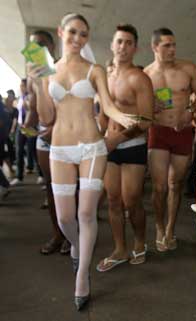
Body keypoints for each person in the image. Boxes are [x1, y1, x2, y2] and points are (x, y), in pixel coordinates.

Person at [28, 13, 136, 310]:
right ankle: (76, 244)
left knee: (86, 213)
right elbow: (47, 117)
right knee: (65, 218)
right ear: (61, 32)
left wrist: (124, 118)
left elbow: (109, 106)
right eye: (73, 32)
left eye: (83, 34)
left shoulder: (95, 69)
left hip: (91, 148)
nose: (77, 38)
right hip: (60, 149)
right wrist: (37, 84)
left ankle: (82, 277)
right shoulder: (47, 72)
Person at [96, 24, 154, 272]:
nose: (123, 46)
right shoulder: (105, 77)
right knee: (112, 200)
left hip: (132, 144)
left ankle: (140, 242)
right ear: (112, 44)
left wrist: (117, 139)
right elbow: (102, 113)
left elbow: (147, 119)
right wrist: (99, 137)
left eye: (128, 42)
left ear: (135, 48)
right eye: (119, 41)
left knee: (132, 200)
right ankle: (119, 249)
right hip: (108, 144)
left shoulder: (139, 78)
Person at [144, 27, 196, 252]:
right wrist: (150, 106)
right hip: (159, 131)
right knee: (159, 187)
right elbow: (138, 105)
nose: (172, 49)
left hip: (182, 132)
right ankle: (159, 228)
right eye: (166, 45)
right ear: (154, 47)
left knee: (175, 184)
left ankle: (171, 229)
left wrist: (190, 110)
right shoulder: (147, 74)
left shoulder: (188, 68)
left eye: (174, 45)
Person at [24, 29, 71, 255]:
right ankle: (57, 233)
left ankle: (72, 235)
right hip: (44, 140)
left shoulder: (64, 70)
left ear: (53, 47)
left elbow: (76, 108)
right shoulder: (34, 76)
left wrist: (55, 127)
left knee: (70, 190)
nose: (37, 49)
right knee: (52, 190)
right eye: (33, 45)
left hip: (67, 137)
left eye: (41, 44)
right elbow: (34, 109)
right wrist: (28, 126)